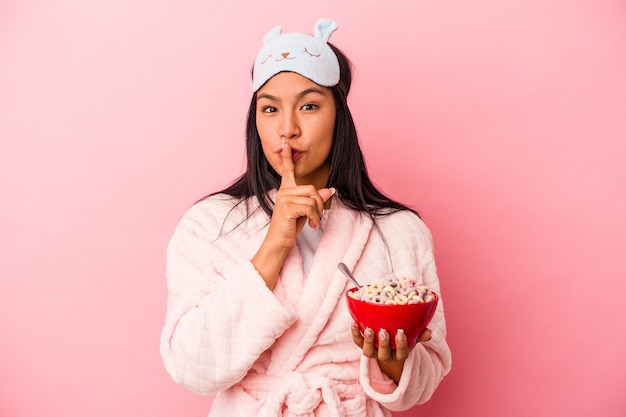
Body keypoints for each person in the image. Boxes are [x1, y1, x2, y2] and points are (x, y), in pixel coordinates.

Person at [160, 18, 451, 417]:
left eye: (309, 106)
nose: (287, 129)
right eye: (270, 108)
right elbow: (192, 367)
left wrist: (392, 362)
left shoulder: (398, 231)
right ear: (255, 119)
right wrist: (274, 245)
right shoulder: (209, 224)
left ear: (338, 116)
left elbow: (427, 374)